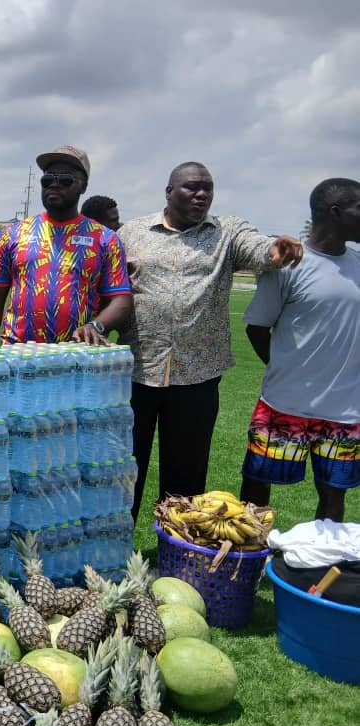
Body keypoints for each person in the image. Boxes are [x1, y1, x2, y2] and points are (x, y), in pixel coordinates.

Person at [118, 161, 303, 519]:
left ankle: (175, 545)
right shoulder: (133, 232)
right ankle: (117, 544)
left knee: (185, 477)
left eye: (207, 187)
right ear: (169, 192)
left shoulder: (227, 231)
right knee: (125, 470)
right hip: (135, 372)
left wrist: (274, 251)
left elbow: (258, 248)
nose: (201, 194)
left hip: (197, 376)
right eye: (191, 187)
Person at [239, 178, 360, 522]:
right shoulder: (288, 266)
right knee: (257, 485)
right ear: (336, 213)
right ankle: (250, 550)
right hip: (283, 404)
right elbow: (257, 328)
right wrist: (285, 367)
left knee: (334, 495)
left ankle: (324, 552)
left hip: (345, 410)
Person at [0, 145, 132, 347]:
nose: (54, 185)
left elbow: (121, 301)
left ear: (83, 186)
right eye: (48, 179)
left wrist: (96, 326)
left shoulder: (105, 239)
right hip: (18, 355)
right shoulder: (13, 235)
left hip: (77, 355)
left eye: (65, 180)